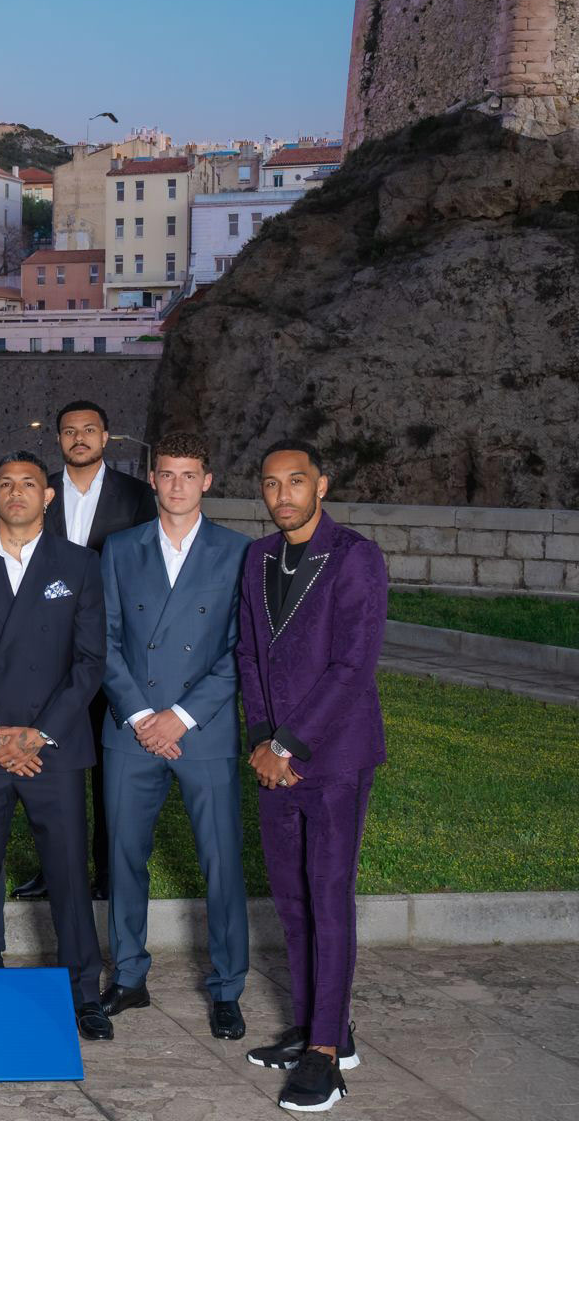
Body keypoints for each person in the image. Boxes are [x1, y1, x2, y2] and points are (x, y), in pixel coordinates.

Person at [0, 451, 112, 1040]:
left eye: (28, 483)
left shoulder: (79, 565)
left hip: (51, 748)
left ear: (48, 495)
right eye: (4, 483)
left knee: (66, 875)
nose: (16, 493)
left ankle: (83, 992)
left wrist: (37, 732)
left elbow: (89, 663)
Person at [237, 440, 388, 1113]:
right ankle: (318, 1026)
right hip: (275, 762)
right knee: (292, 899)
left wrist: (290, 745)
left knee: (328, 898)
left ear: (321, 484)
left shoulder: (356, 557)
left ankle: (326, 1056)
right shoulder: (256, 557)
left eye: (296, 481)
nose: (283, 495)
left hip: (332, 761)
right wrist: (261, 744)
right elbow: (248, 653)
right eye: (271, 485)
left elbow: (353, 668)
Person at [97, 431, 250, 1038]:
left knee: (221, 864)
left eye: (190, 475)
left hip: (203, 732)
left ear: (207, 481)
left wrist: (180, 717)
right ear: (152, 479)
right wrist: (141, 715)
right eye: (167, 474)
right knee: (123, 858)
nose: (178, 485)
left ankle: (226, 987)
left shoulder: (240, 552)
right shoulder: (119, 548)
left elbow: (243, 651)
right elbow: (103, 640)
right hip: (131, 729)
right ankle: (129, 976)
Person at [14, 399, 160, 904]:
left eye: (89, 430)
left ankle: (105, 873)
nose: (79, 438)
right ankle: (54, 870)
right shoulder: (39, 491)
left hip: (113, 648)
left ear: (105, 436)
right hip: (48, 651)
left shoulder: (138, 496)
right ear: (58, 439)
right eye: (69, 430)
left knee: (107, 773)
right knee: (52, 767)